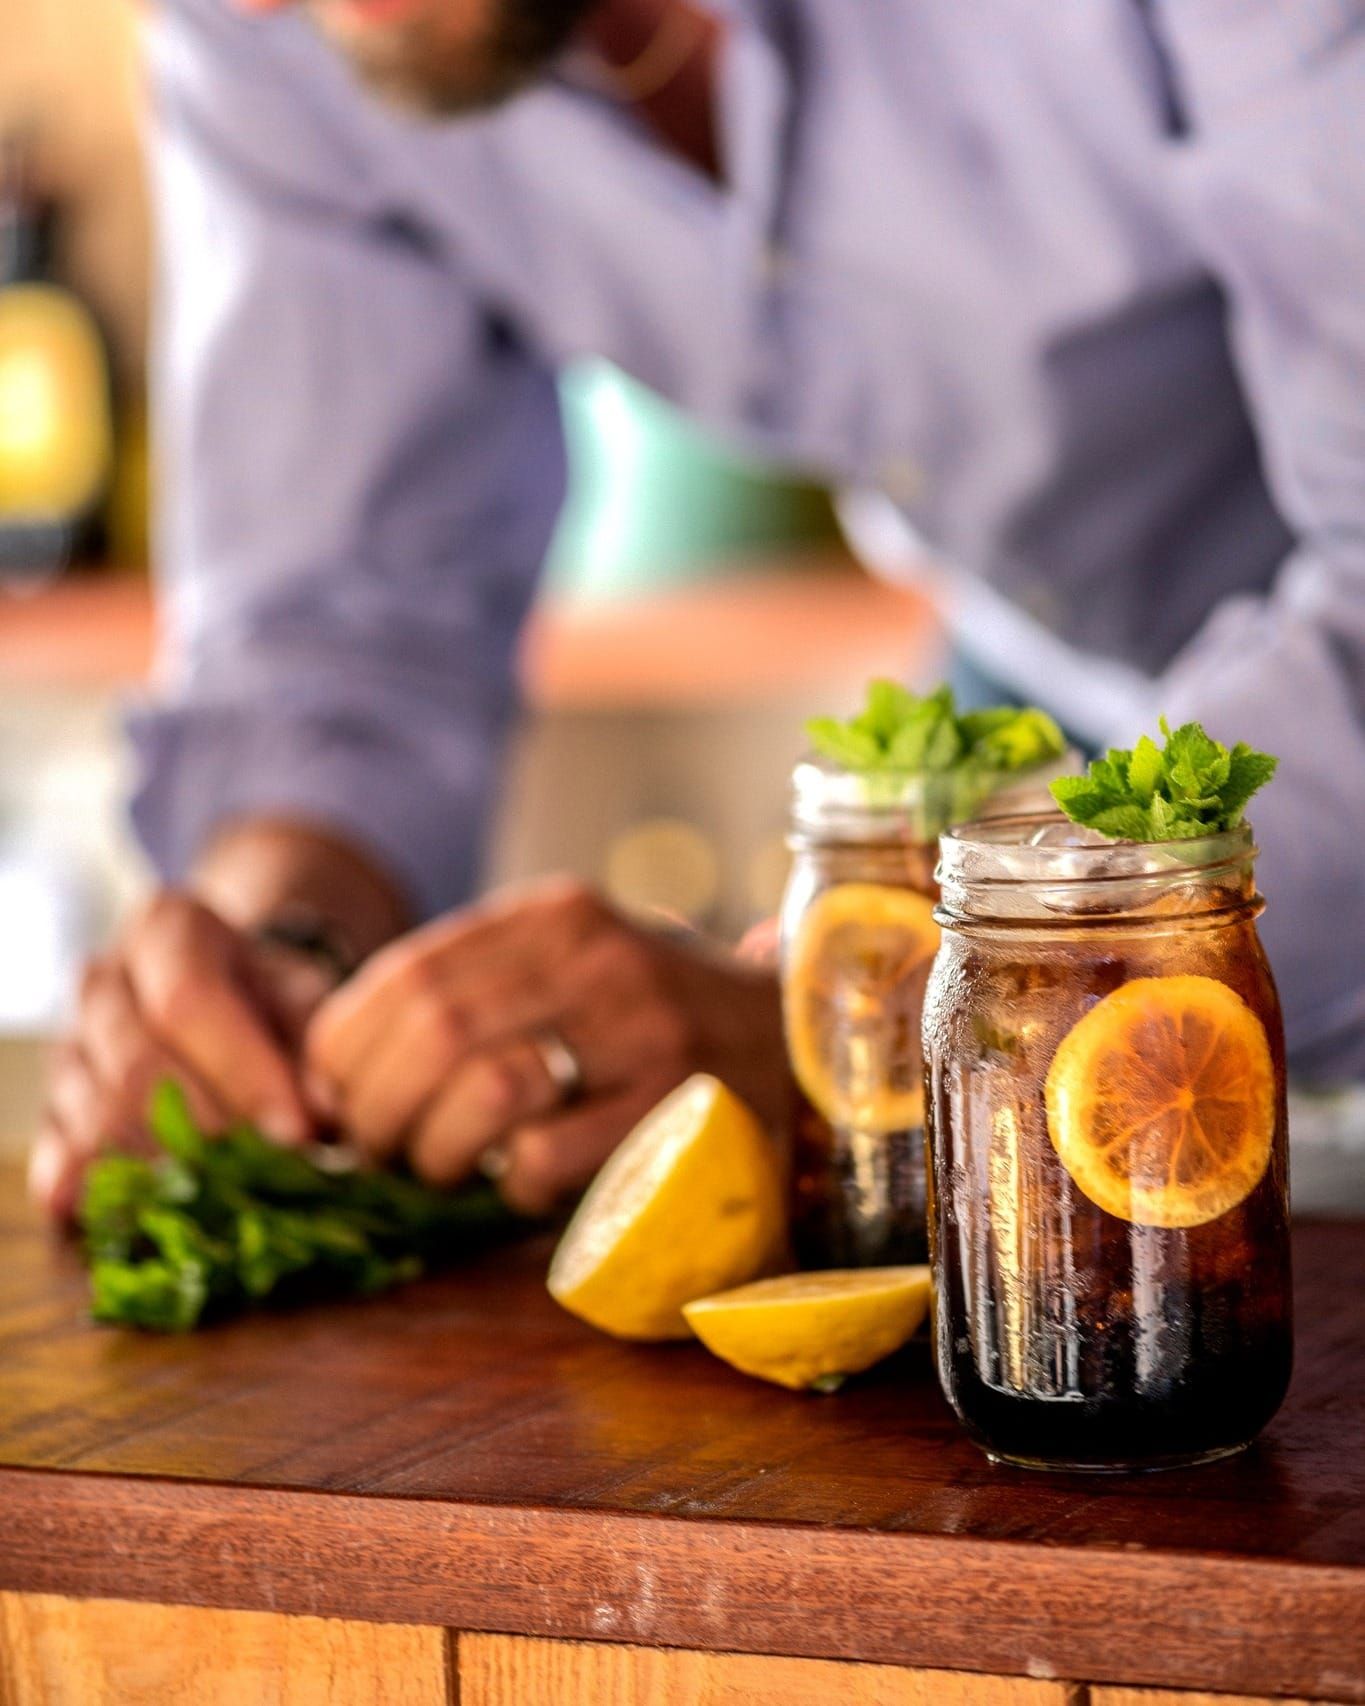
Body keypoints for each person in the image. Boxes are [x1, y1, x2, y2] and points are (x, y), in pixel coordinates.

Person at [31, 0, 1365, 1219]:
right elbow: (341, 635)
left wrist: (874, 1035)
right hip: (1041, 736)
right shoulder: (264, 26)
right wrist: (276, 955)